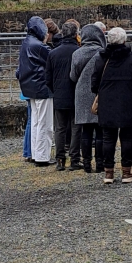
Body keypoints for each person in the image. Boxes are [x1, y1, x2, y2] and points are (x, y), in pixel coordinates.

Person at [90, 27, 132, 184]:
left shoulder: (102, 59)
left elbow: (94, 83)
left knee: (108, 138)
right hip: (129, 102)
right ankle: (126, 172)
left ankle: (108, 173)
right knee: (127, 137)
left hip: (107, 102)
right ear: (124, 40)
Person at [16, 16, 54, 164]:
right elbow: (52, 60)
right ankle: (43, 156)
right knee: (45, 123)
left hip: (29, 87)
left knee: (36, 123)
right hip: (42, 87)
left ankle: (34, 153)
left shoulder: (26, 43)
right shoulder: (39, 46)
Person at [69, 23, 106, 172]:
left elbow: (72, 76)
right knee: (100, 131)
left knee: (86, 131)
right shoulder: (102, 52)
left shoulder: (77, 54)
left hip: (81, 94)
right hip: (98, 94)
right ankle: (100, 163)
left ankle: (86, 164)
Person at [45, 20, 80, 170]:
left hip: (59, 94)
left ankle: (60, 160)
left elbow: (48, 78)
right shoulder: (78, 51)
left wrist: (56, 89)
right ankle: (74, 160)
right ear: (75, 34)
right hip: (75, 94)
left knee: (59, 128)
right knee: (75, 127)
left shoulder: (53, 53)